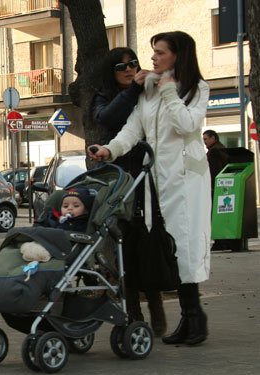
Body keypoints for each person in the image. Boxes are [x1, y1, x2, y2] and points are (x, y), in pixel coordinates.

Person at [88, 31, 211, 346]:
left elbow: (186, 125)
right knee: (165, 243)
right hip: (157, 179)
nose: (153, 58)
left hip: (187, 178)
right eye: (153, 51)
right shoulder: (148, 90)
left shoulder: (196, 89)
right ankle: (187, 317)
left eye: (160, 52)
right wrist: (109, 150)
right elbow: (133, 129)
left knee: (186, 244)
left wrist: (169, 92)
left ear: (177, 56)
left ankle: (195, 318)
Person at [92, 47, 167, 336]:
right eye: (121, 66)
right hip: (120, 182)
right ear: (110, 72)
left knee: (149, 243)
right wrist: (133, 91)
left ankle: (157, 305)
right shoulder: (105, 97)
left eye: (133, 64)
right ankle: (133, 312)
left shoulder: (149, 92)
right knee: (126, 248)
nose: (128, 69)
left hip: (148, 179)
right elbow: (110, 119)